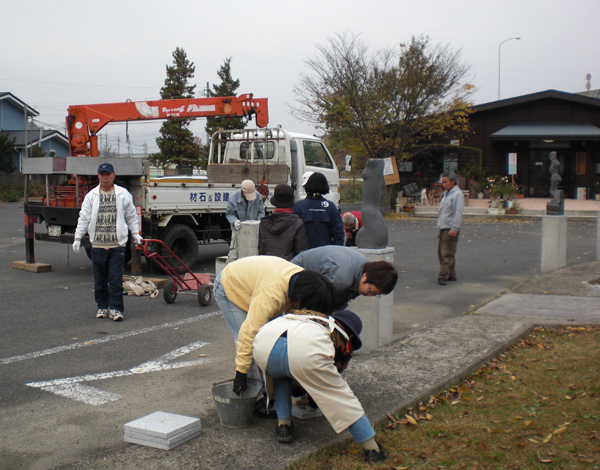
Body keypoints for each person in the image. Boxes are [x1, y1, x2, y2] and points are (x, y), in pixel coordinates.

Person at [253, 309, 389, 463]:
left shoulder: (313, 316)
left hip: (264, 344)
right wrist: (313, 397)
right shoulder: (342, 339)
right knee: (340, 396)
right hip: (304, 352)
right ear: (351, 334)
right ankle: (372, 449)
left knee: (280, 374)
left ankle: (284, 425)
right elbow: (325, 384)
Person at [213, 255, 334, 398]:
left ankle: (269, 392)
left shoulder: (305, 283)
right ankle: (253, 395)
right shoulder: (272, 294)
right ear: (299, 299)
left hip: (257, 285)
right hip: (229, 285)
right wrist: (241, 371)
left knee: (271, 340)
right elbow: (249, 331)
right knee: (251, 343)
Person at [72, 163, 141, 321]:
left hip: (117, 245)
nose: (105, 177)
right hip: (97, 244)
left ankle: (116, 309)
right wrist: (77, 237)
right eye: (102, 174)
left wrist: (135, 233)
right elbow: (84, 217)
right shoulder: (91, 196)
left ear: (113, 175)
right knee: (100, 280)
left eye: (108, 174)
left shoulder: (123, 194)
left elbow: (131, 215)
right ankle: (102, 306)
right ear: (98, 176)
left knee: (115, 280)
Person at [291, 245, 398, 311]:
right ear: (366, 276)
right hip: (297, 272)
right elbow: (318, 302)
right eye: (370, 291)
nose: (369, 295)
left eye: (374, 295)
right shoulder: (341, 279)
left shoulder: (364, 269)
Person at [293, 172, 344, 249]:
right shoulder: (330, 207)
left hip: (304, 252)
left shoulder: (300, 206)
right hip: (325, 251)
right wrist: (337, 250)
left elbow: (293, 231)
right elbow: (338, 233)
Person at [258, 184, 308, 261]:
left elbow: (261, 251)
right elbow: (301, 252)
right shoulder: (297, 223)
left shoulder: (264, 223)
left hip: (268, 266)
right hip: (289, 267)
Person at [225, 179, 265, 264]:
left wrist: (258, 222)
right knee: (234, 254)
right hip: (238, 229)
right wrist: (235, 221)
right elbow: (229, 214)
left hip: (254, 230)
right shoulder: (233, 197)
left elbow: (261, 212)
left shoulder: (257, 196)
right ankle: (227, 274)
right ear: (242, 192)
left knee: (254, 253)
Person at [436, 171, 465, 286]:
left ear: (453, 181)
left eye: (446, 182)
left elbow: (458, 213)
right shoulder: (446, 194)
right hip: (443, 226)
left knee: (447, 253)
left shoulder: (457, 194)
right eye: (442, 182)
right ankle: (451, 273)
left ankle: (443, 275)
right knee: (441, 252)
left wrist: (455, 228)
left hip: (450, 227)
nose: (443, 184)